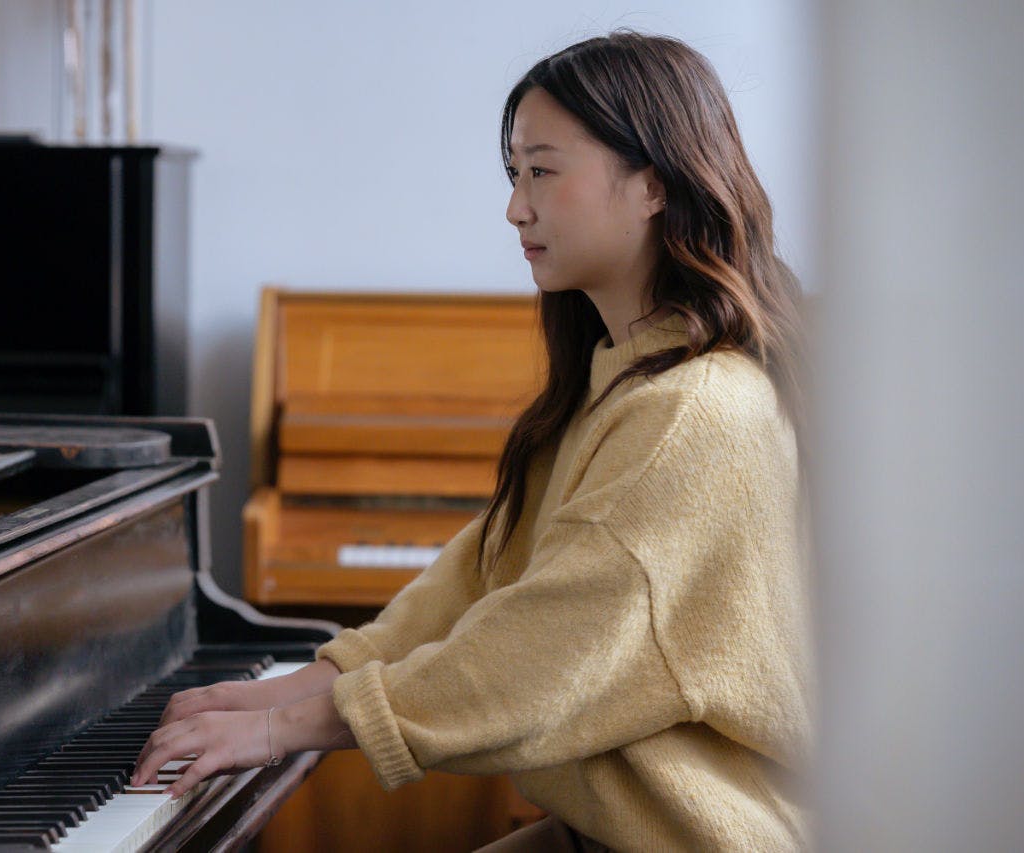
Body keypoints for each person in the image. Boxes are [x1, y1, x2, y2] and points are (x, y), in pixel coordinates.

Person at [133, 30, 811, 852]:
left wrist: (291, 728)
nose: (515, 207)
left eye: (542, 171)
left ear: (654, 185)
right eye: (513, 173)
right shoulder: (624, 378)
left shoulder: (693, 411)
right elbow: (484, 573)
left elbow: (539, 655)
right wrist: (312, 681)